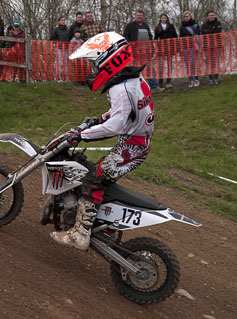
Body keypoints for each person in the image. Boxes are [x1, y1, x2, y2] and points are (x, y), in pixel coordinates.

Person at [51, 31, 154, 250]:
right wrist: (99, 119)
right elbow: (124, 112)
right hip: (134, 141)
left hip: (133, 146)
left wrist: (80, 136)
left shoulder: (120, 87)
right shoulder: (132, 78)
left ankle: (81, 233)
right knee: (93, 171)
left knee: (94, 177)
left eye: (94, 63)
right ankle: (102, 219)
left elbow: (115, 125)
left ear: (108, 59)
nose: (93, 69)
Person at [124, 9, 161, 92]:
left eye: (141, 15)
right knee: (135, 69)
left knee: (150, 68)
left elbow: (150, 38)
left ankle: (154, 86)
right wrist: (130, 45)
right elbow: (125, 36)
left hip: (146, 51)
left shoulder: (146, 26)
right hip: (135, 52)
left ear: (143, 17)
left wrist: (152, 48)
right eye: (138, 15)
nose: (139, 16)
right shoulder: (130, 26)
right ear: (135, 16)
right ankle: (136, 88)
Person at [154, 13, 178, 89]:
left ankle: (168, 81)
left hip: (170, 48)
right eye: (162, 18)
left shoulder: (171, 26)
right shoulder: (157, 27)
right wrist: (157, 47)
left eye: (165, 18)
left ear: (167, 19)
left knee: (170, 65)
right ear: (160, 19)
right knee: (161, 65)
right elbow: (155, 38)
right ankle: (160, 81)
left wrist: (174, 46)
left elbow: (175, 36)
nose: (163, 19)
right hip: (161, 49)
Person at [180, 11, 200, 88]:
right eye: (185, 16)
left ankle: (196, 79)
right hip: (185, 47)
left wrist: (198, 46)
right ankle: (190, 80)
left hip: (193, 46)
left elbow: (198, 35)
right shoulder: (182, 27)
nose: (186, 17)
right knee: (187, 64)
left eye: (187, 16)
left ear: (190, 17)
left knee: (193, 63)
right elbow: (181, 37)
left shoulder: (195, 25)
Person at [201, 11, 222, 85]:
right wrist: (212, 32)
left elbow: (217, 32)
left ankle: (216, 78)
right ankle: (210, 79)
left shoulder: (218, 23)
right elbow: (203, 33)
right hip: (207, 46)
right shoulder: (204, 25)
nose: (211, 16)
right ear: (207, 16)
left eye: (213, 15)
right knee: (208, 62)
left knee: (216, 62)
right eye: (210, 15)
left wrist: (208, 32)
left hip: (217, 46)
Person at [51, 16, 69, 81]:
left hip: (66, 48)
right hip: (59, 48)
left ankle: (66, 77)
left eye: (64, 20)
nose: (63, 21)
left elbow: (69, 37)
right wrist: (57, 42)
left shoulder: (67, 30)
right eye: (62, 20)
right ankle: (58, 77)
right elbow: (52, 38)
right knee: (59, 63)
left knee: (66, 63)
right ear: (59, 21)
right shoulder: (56, 30)